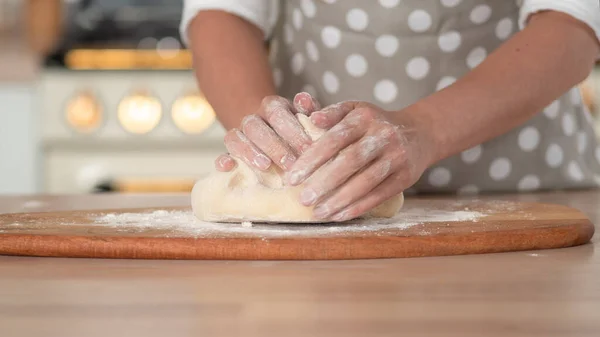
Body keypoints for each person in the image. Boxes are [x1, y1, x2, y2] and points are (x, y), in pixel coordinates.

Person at [181, 0, 600, 222]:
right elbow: (224, 12)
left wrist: (425, 129)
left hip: (525, 197)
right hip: (313, 195)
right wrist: (267, 139)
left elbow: (573, 24)